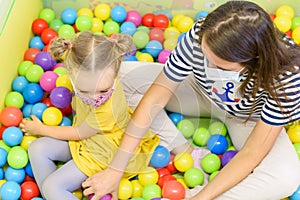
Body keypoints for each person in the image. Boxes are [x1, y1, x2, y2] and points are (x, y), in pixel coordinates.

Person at [82, 1, 300, 200]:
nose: (209, 67)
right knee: (115, 78)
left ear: (255, 59)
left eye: (221, 66)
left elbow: (253, 153)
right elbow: (156, 96)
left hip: (249, 118)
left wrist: (201, 197)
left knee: (285, 177)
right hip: (200, 92)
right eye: (206, 57)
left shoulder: (288, 78)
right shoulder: (202, 33)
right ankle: (185, 150)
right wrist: (116, 169)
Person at [19, 31, 162, 200]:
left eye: (103, 90)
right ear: (71, 77)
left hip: (106, 153)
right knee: (37, 148)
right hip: (86, 144)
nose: (95, 98)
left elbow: (79, 132)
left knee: (52, 186)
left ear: (115, 74)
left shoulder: (107, 109)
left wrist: (41, 129)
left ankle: (54, 192)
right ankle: (52, 196)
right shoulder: (85, 76)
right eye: (85, 91)